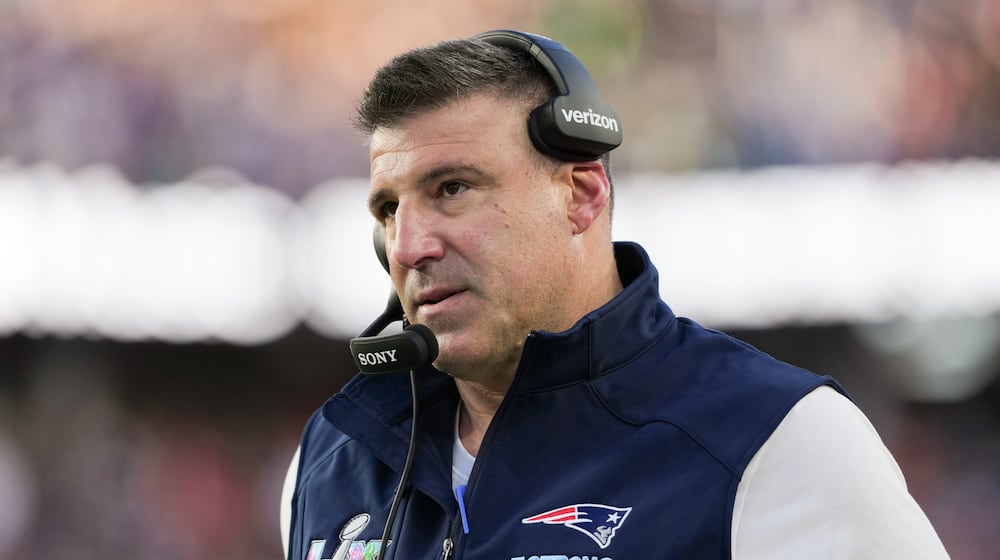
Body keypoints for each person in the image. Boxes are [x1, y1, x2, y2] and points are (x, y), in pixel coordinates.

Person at [280, 29, 949, 560]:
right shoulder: (333, 457)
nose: (408, 246)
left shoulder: (782, 443)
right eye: (389, 208)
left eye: (452, 188)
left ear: (581, 195)